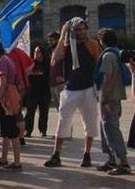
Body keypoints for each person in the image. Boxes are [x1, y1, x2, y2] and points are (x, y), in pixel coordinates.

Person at [44, 17, 101, 168]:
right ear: (72, 31)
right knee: (63, 121)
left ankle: (87, 154)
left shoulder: (92, 44)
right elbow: (55, 58)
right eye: (78, 29)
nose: (81, 32)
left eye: (83, 29)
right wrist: (63, 34)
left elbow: (99, 63)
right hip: (71, 87)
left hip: (89, 87)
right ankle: (56, 154)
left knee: (90, 123)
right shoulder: (66, 45)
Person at [95, 28, 130, 175]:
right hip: (116, 96)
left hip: (110, 98)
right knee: (106, 129)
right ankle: (111, 160)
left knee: (112, 129)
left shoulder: (108, 55)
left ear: (102, 41)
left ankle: (124, 163)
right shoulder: (117, 52)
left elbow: (107, 79)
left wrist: (105, 100)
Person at [0, 38, 22, 170]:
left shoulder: (1, 62)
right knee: (6, 131)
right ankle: (3, 158)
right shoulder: (6, 59)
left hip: (7, 100)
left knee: (11, 131)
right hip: (11, 97)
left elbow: (3, 82)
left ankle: (17, 162)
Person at [26, 31, 57, 138]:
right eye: (35, 52)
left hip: (44, 92)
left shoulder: (47, 64)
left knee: (44, 113)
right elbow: (26, 75)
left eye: (39, 52)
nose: (37, 54)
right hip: (32, 92)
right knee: (30, 113)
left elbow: (50, 76)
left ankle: (43, 130)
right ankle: (28, 130)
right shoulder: (31, 63)